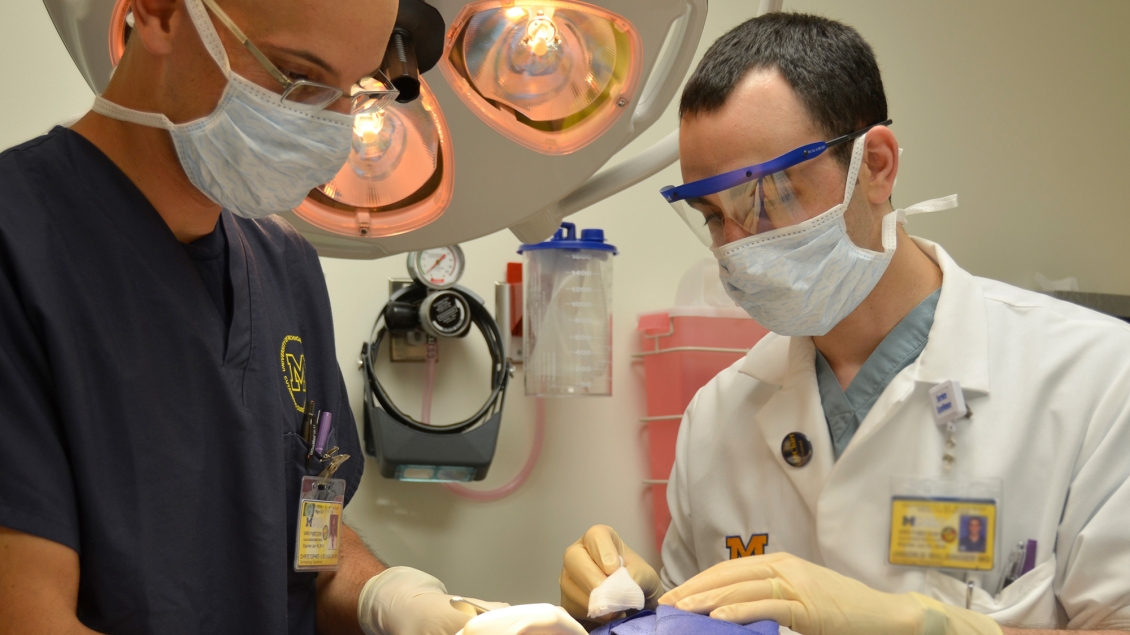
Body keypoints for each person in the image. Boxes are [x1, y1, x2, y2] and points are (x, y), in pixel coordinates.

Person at [560, 12, 1130, 635]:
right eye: (713, 216)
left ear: (877, 166)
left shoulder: (1098, 382)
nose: (737, 245)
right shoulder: (715, 420)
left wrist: (921, 627)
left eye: (766, 195)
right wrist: (640, 608)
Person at [0, 0, 496, 633]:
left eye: (356, 90)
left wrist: (391, 601)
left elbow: (310, 550)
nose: (329, 126)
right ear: (158, 14)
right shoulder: (19, 246)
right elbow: (28, 616)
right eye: (297, 79)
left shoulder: (285, 267)